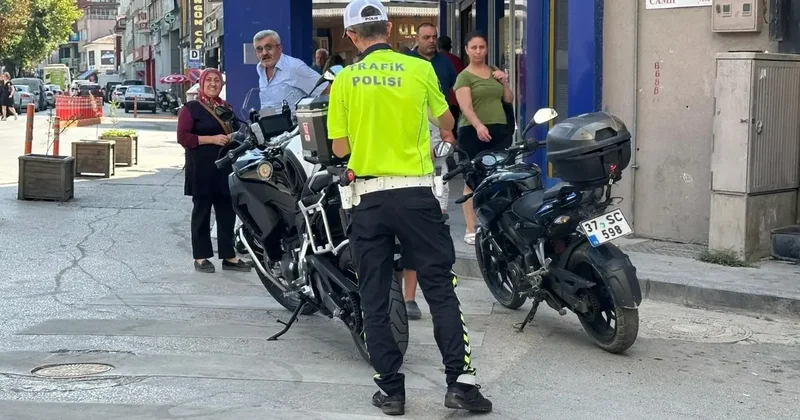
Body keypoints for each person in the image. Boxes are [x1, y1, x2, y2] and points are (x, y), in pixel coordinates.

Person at [327, 0, 492, 415]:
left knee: (375, 295)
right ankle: (460, 384)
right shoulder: (420, 70)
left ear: (351, 36)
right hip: (417, 194)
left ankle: (392, 391)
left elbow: (339, 147)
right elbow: (447, 123)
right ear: (388, 29)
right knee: (440, 287)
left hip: (368, 198)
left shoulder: (345, 80)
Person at [402, 22, 458, 321]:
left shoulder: (443, 65)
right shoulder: (408, 66)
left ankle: (423, 295)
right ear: (416, 40)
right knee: (405, 233)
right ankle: (402, 296)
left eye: (434, 37)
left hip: (433, 160)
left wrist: (447, 136)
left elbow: (446, 108)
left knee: (433, 226)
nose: (431, 41)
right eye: (426, 37)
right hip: (402, 165)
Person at [177, 68, 253, 274]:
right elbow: (183, 137)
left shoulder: (225, 107)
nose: (213, 83)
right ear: (201, 84)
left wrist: (235, 135)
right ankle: (201, 257)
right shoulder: (190, 108)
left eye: (217, 80)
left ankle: (229, 256)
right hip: (201, 169)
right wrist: (212, 139)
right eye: (208, 80)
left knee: (226, 212)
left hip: (224, 168)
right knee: (201, 212)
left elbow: (239, 129)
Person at [454, 32, 513, 245]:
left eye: (482, 47)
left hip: (498, 131)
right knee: (472, 179)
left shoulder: (494, 71)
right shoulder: (464, 76)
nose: (478, 51)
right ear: (467, 50)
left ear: (486, 49)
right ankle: (471, 228)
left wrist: (504, 82)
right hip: (472, 132)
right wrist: (478, 125)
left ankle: (497, 224)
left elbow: (508, 99)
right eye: (474, 48)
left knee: (499, 177)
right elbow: (465, 107)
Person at [253, 30, 329, 111]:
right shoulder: (260, 69)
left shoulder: (294, 67)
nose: (264, 53)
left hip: (295, 123)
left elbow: (326, 89)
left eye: (268, 47)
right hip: (267, 122)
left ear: (279, 48)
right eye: (259, 49)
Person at [437, 35, 465, 132]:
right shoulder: (457, 60)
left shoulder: (438, 61)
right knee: (452, 130)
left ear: (438, 46)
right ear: (450, 47)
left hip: (443, 101)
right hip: (455, 101)